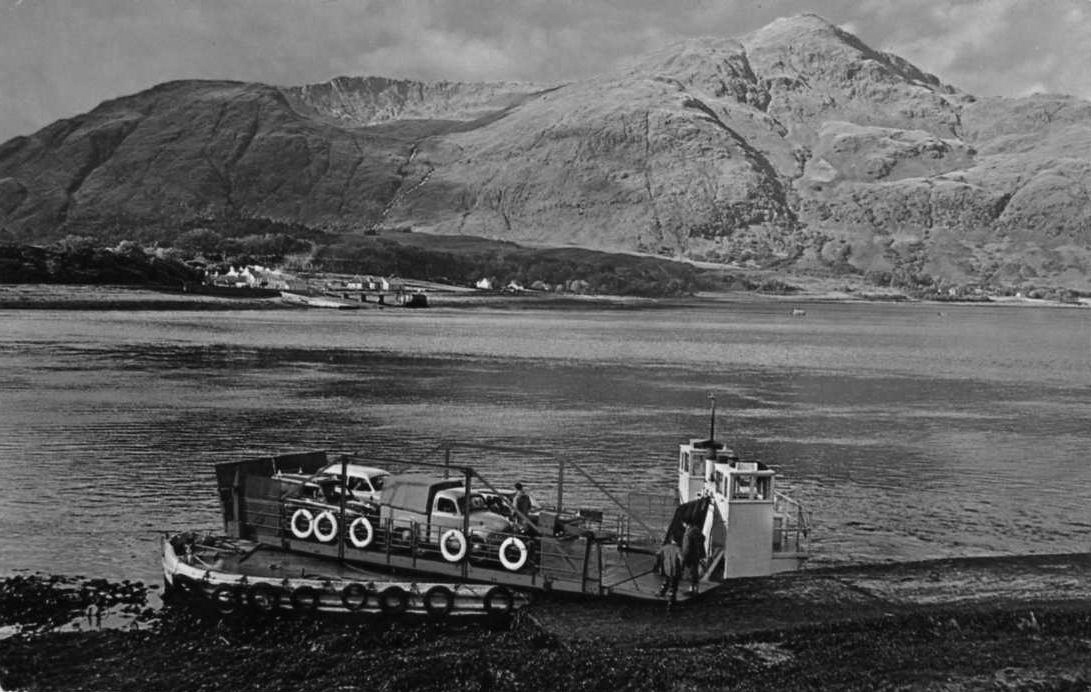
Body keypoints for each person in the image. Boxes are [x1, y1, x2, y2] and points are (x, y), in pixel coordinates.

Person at [654, 538, 683, 605]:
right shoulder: (677, 549)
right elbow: (681, 558)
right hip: (675, 570)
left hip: (666, 569)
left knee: (666, 581)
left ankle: (661, 593)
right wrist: (682, 568)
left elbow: (657, 554)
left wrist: (657, 566)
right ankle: (671, 599)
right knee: (674, 584)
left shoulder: (665, 547)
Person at [681, 519, 706, 595]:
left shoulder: (688, 534)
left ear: (686, 524)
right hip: (696, 554)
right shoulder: (697, 531)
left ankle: (692, 590)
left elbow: (686, 547)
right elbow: (703, 538)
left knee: (691, 573)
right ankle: (696, 589)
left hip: (690, 555)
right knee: (695, 572)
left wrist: (684, 557)